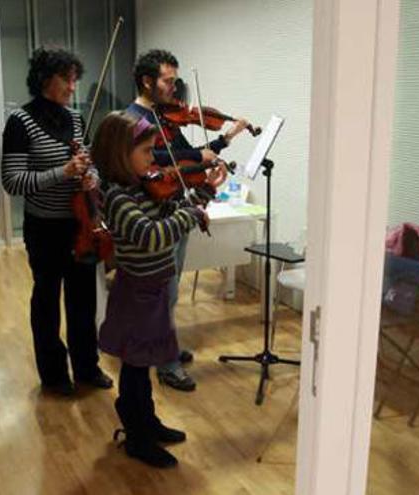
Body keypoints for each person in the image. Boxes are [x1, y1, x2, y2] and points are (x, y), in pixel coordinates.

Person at [126, 49, 249, 391]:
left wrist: (225, 139)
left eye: (175, 80)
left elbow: (187, 162)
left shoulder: (165, 118)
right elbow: (158, 157)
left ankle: (164, 347)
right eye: (168, 80)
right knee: (164, 293)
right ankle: (166, 364)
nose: (174, 88)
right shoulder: (132, 119)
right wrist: (196, 154)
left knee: (172, 291)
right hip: (154, 216)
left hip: (177, 210)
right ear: (147, 81)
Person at [93, 111, 208, 468]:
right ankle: (137, 437)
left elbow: (170, 208)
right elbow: (152, 235)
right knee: (135, 368)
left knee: (144, 365)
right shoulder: (118, 198)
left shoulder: (143, 188)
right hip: (137, 294)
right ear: (119, 155)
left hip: (153, 290)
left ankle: (148, 423)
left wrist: (200, 194)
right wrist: (189, 215)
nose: (152, 159)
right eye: (146, 152)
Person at [0, 48, 113, 396]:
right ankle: (53, 374)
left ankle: (86, 367)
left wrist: (91, 175)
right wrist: (61, 172)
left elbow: (89, 162)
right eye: (67, 79)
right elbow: (13, 181)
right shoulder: (20, 121)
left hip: (81, 225)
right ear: (45, 79)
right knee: (47, 300)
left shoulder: (76, 119)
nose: (73, 87)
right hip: (45, 229)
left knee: (83, 300)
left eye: (75, 79)